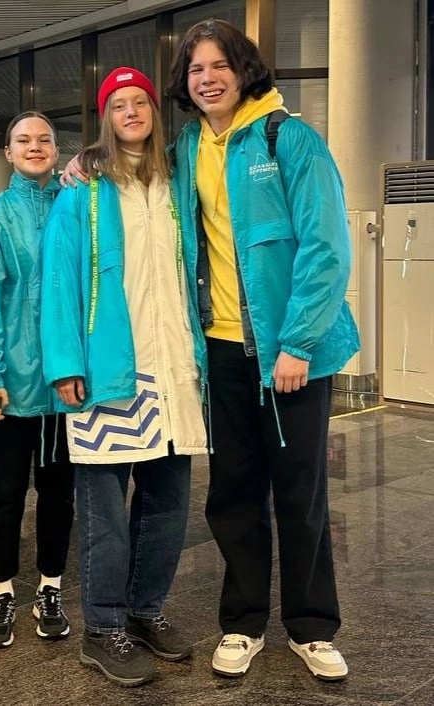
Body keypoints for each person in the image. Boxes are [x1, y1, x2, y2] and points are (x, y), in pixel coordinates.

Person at [166, 19, 359, 681]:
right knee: (232, 492)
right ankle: (243, 622)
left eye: (219, 65)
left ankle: (312, 627)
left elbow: (326, 247)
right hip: (219, 350)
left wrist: (299, 342)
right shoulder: (187, 148)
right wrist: (83, 166)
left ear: (243, 70)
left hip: (289, 353)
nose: (207, 79)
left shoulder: (288, 139)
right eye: (196, 69)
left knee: (300, 491)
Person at [40, 67, 208, 688]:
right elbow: (59, 279)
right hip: (110, 367)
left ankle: (145, 609)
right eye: (119, 104)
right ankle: (103, 625)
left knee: (167, 503)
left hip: (173, 365)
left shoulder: (175, 182)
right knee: (105, 509)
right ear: (105, 118)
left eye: (140, 102)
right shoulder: (83, 190)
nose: (132, 111)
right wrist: (64, 363)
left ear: (154, 112)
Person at [0, 111, 75, 649]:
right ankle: (1, 592)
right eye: (23, 140)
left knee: (58, 494)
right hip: (6, 385)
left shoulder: (75, 208)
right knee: (3, 493)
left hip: (65, 387)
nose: (34, 147)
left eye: (44, 139)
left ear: (56, 150)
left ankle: (51, 588)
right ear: (7, 152)